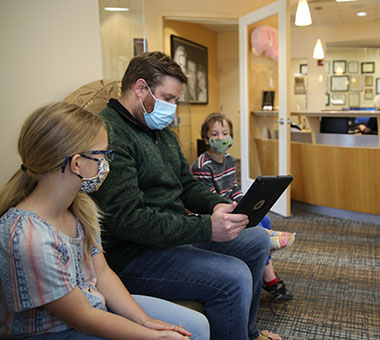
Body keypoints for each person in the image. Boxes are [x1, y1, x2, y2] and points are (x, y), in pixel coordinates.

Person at [90, 51, 282, 340]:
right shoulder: (110, 134)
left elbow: (186, 184)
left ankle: (249, 334)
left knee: (256, 239)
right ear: (141, 88)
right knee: (234, 276)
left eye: (175, 100)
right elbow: (127, 220)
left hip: (173, 237)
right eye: (168, 98)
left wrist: (218, 205)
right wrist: (206, 226)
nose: (172, 107)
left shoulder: (161, 130)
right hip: (134, 255)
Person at [0, 102, 209, 340]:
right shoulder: (28, 238)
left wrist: (145, 320)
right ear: (77, 163)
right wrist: (152, 336)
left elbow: (101, 272)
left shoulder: (81, 208)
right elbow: (82, 317)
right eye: (103, 155)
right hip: (54, 330)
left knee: (197, 326)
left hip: (91, 305)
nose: (106, 166)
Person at [190, 113, 296, 302]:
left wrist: (245, 203)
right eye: (215, 134)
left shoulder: (230, 160)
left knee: (264, 219)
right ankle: (268, 272)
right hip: (213, 214)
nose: (221, 138)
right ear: (206, 139)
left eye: (225, 133)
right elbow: (209, 200)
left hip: (229, 207)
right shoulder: (202, 165)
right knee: (259, 230)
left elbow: (233, 189)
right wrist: (237, 208)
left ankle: (265, 256)